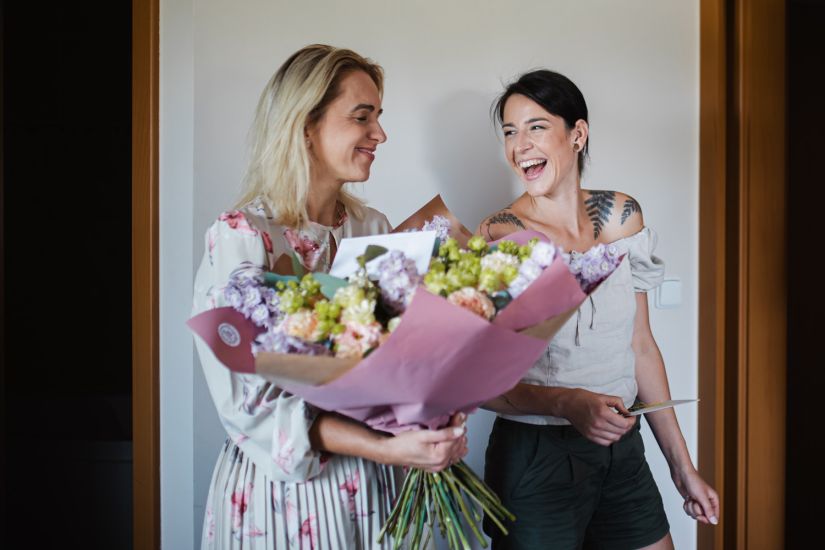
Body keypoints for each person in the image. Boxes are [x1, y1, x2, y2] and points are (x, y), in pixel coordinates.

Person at [192, 44, 468, 549]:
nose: (380, 134)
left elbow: (403, 362)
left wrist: (433, 417)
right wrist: (386, 448)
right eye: (362, 117)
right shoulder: (242, 236)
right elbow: (249, 407)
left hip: (379, 490)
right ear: (305, 125)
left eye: (378, 116)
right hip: (286, 499)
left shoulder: (373, 228)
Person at [478, 69, 719, 550]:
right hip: (536, 459)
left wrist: (682, 468)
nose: (520, 146)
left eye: (536, 127)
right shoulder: (499, 237)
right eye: (509, 131)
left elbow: (641, 347)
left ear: (578, 134)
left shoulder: (623, 218)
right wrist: (566, 402)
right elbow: (479, 382)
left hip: (623, 450)